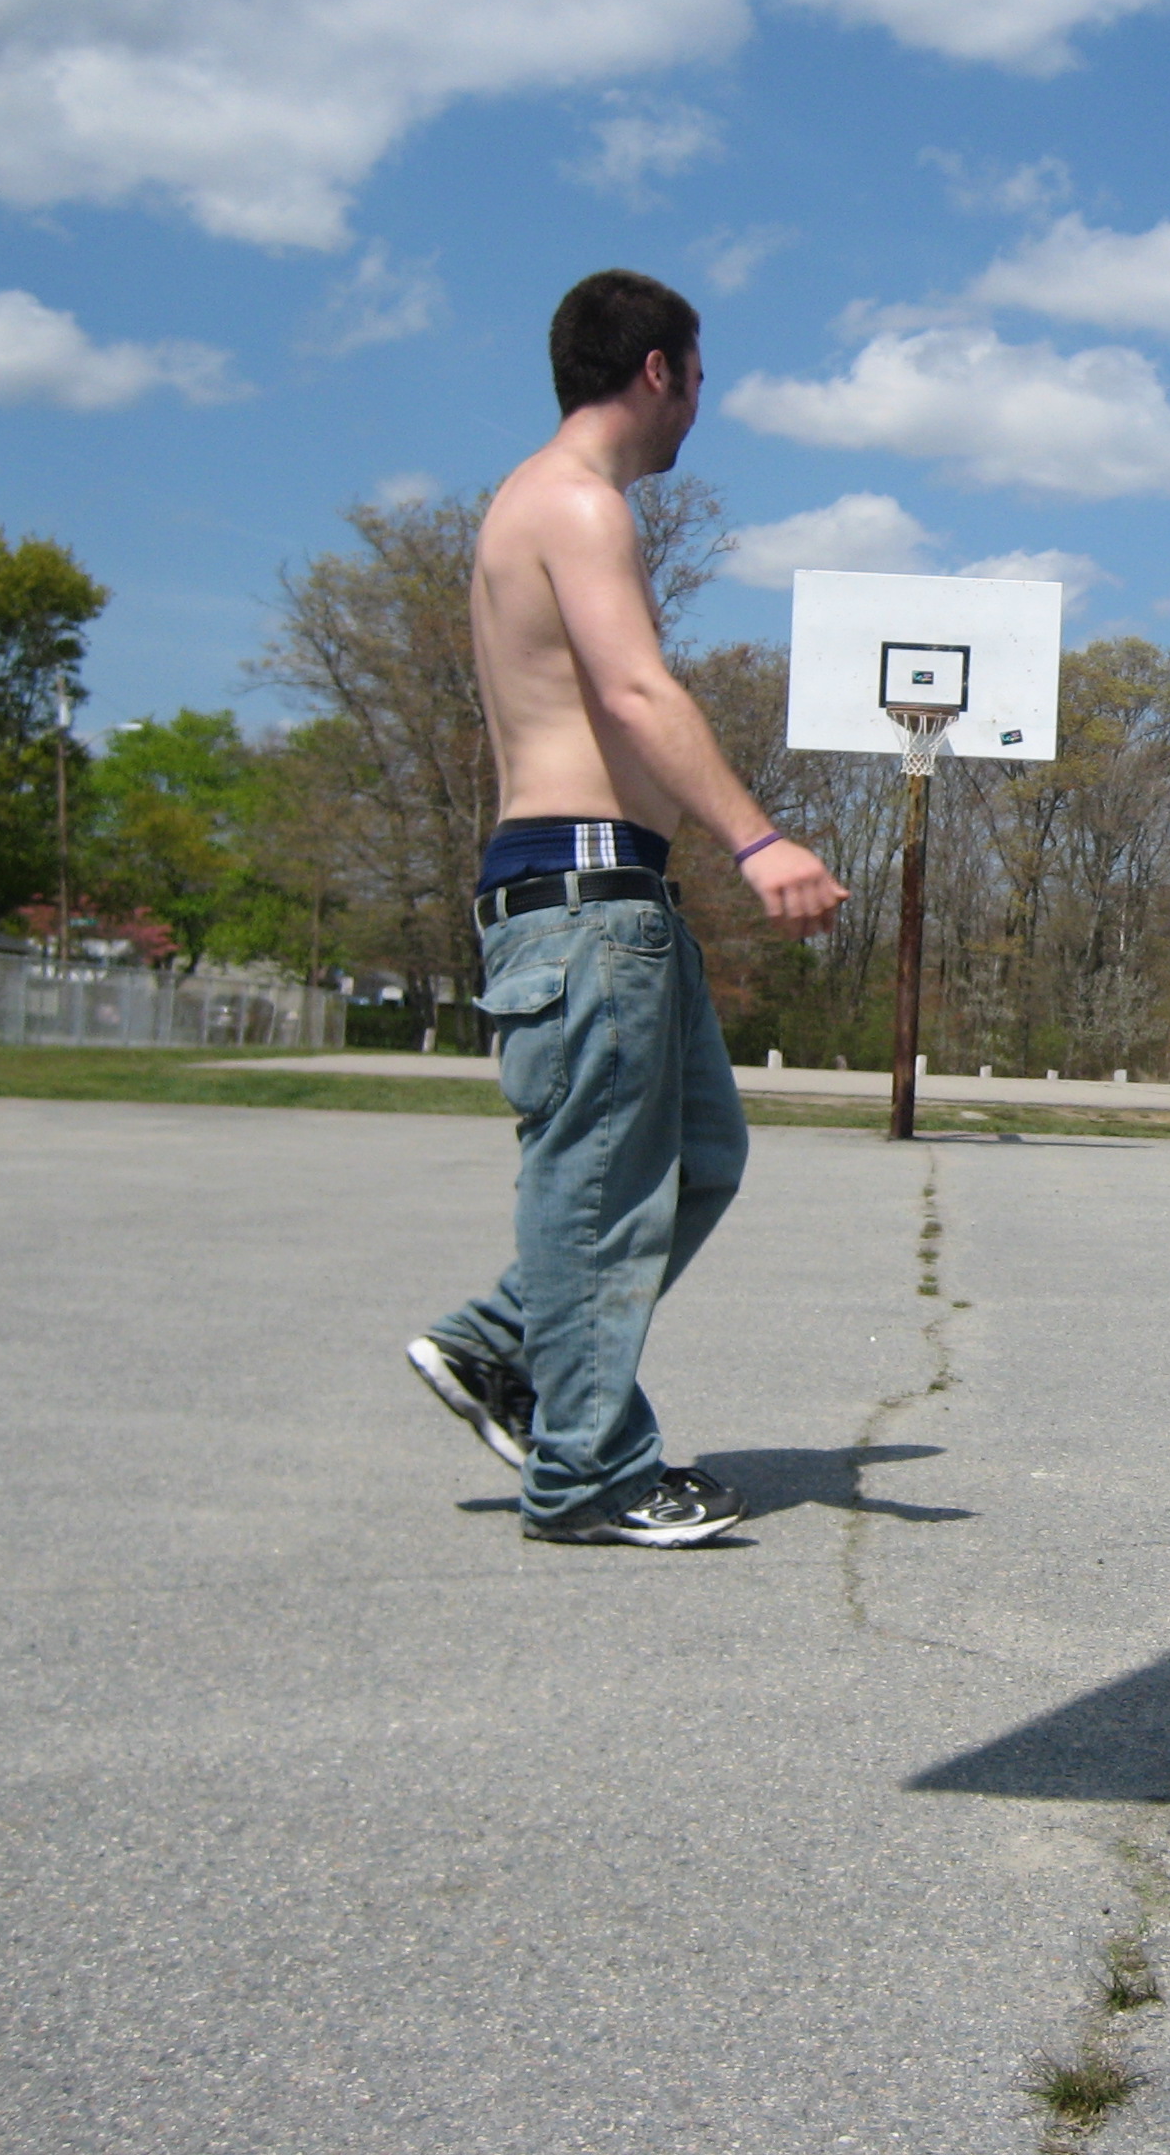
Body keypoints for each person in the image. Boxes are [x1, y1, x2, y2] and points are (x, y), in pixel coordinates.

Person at [403, 269, 847, 1544]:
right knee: (603, 1191)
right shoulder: (575, 505)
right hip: (585, 901)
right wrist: (758, 839)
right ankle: (587, 1474)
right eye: (701, 379)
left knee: (702, 1158)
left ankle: (501, 1349)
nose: (702, 405)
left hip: (611, 895)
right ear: (658, 370)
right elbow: (638, 693)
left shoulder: (531, 502)